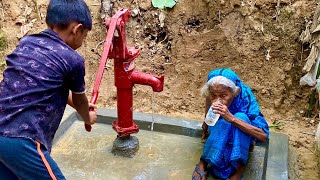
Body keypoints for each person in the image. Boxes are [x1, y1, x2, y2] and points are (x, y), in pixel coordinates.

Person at [0, 0, 97, 179]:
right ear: (76, 29)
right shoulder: (73, 60)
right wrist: (87, 117)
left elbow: (45, 86)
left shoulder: (27, 42)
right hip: (22, 140)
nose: (83, 41)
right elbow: (80, 100)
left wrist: (77, 107)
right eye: (84, 35)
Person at [192, 68, 269, 180]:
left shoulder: (245, 97)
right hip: (221, 131)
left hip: (241, 135)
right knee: (223, 122)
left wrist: (232, 118)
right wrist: (205, 123)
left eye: (224, 95)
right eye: (213, 95)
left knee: (240, 116)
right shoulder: (213, 95)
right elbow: (209, 100)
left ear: (235, 93)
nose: (217, 101)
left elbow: (263, 135)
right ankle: (203, 162)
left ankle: (238, 170)